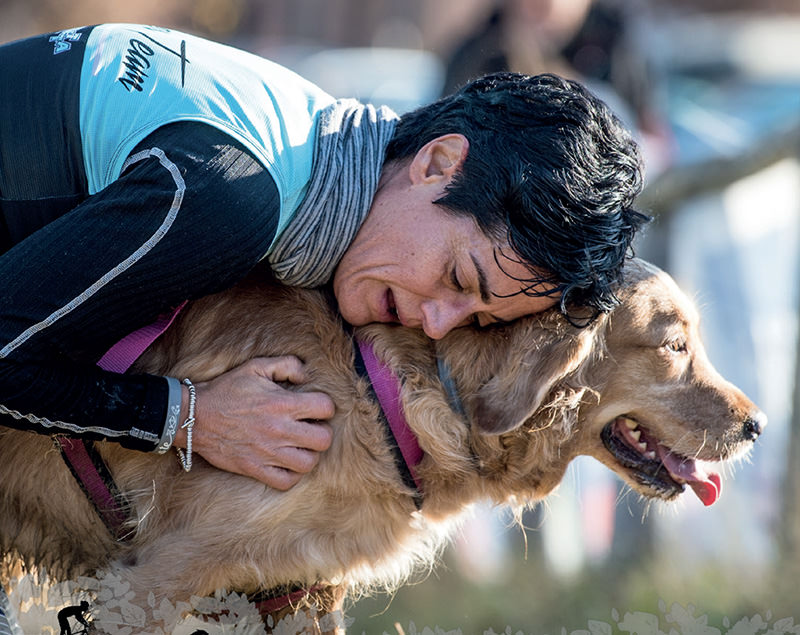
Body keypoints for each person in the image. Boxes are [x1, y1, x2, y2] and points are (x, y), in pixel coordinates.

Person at [0, 24, 647, 491]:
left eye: (477, 318)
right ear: (437, 162)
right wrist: (188, 414)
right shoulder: (237, 197)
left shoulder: (308, 130)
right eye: (457, 277)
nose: (439, 322)